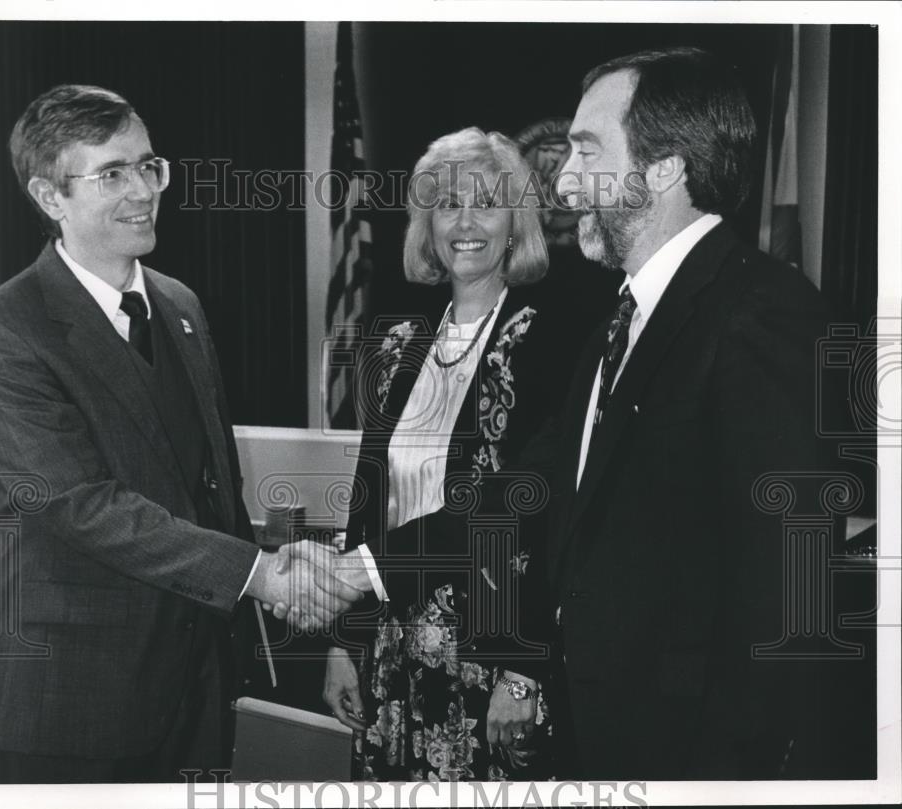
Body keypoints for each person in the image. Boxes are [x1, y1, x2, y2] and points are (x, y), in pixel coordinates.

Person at [0, 84, 366, 784]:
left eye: (149, 166)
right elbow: (81, 504)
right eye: (112, 173)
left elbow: (207, 483)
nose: (144, 189)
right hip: (78, 701)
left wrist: (268, 557)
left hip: (199, 687)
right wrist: (260, 575)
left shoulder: (180, 304)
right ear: (51, 196)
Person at [516, 47, 847, 778]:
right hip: (598, 738)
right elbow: (537, 488)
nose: (566, 184)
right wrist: (365, 566)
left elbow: (787, 601)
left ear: (663, 169)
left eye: (585, 150)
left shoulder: (763, 315)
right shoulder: (624, 317)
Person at [320, 127, 565, 781]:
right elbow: (369, 503)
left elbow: (536, 517)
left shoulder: (550, 344)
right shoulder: (398, 341)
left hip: (488, 650)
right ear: (425, 226)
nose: (464, 222)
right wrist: (345, 641)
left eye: (485, 203)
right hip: (390, 645)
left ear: (515, 224)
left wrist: (523, 666)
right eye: (447, 204)